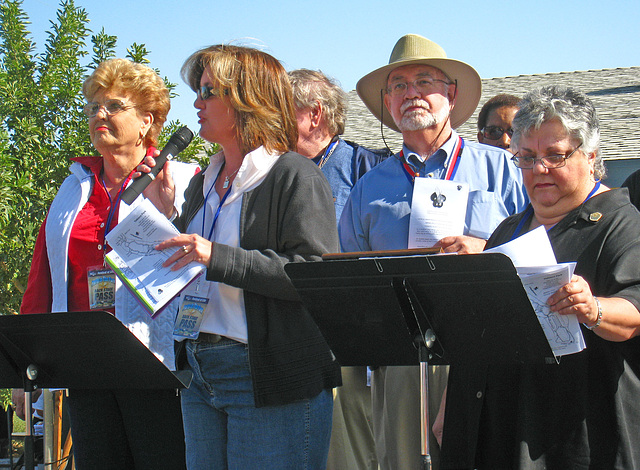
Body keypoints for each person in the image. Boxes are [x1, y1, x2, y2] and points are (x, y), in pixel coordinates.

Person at [139, 45, 341, 469]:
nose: (196, 102)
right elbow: (196, 267)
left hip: (265, 375)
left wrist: (218, 256)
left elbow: (315, 277)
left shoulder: (293, 175)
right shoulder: (203, 182)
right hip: (199, 369)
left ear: (248, 98)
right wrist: (167, 218)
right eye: (198, 89)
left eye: (209, 90)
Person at [339, 34, 528, 470]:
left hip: (490, 352)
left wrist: (488, 249)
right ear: (387, 102)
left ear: (452, 93)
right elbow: (351, 282)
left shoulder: (504, 168)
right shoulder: (368, 188)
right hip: (404, 361)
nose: (411, 94)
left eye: (424, 81)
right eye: (398, 86)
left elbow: (545, 250)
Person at [440, 86, 640, 469]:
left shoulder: (621, 225)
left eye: (555, 155)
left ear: (592, 155)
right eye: (527, 158)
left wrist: (593, 307)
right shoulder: (507, 230)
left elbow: (634, 309)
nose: (539, 170)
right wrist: (451, 405)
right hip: (498, 429)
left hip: (572, 435)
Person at [19, 58, 197, 469]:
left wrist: (170, 214)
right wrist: (25, 362)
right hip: (86, 359)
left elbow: (200, 266)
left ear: (146, 121)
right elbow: (43, 274)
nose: (100, 114)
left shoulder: (182, 179)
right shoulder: (73, 186)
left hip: (155, 361)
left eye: (114, 106)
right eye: (93, 106)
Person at [289, 68, 389, 470]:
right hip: (287, 339)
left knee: (352, 455)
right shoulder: (268, 172)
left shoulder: (369, 169)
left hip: (350, 343)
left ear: (315, 115)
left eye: (281, 109)